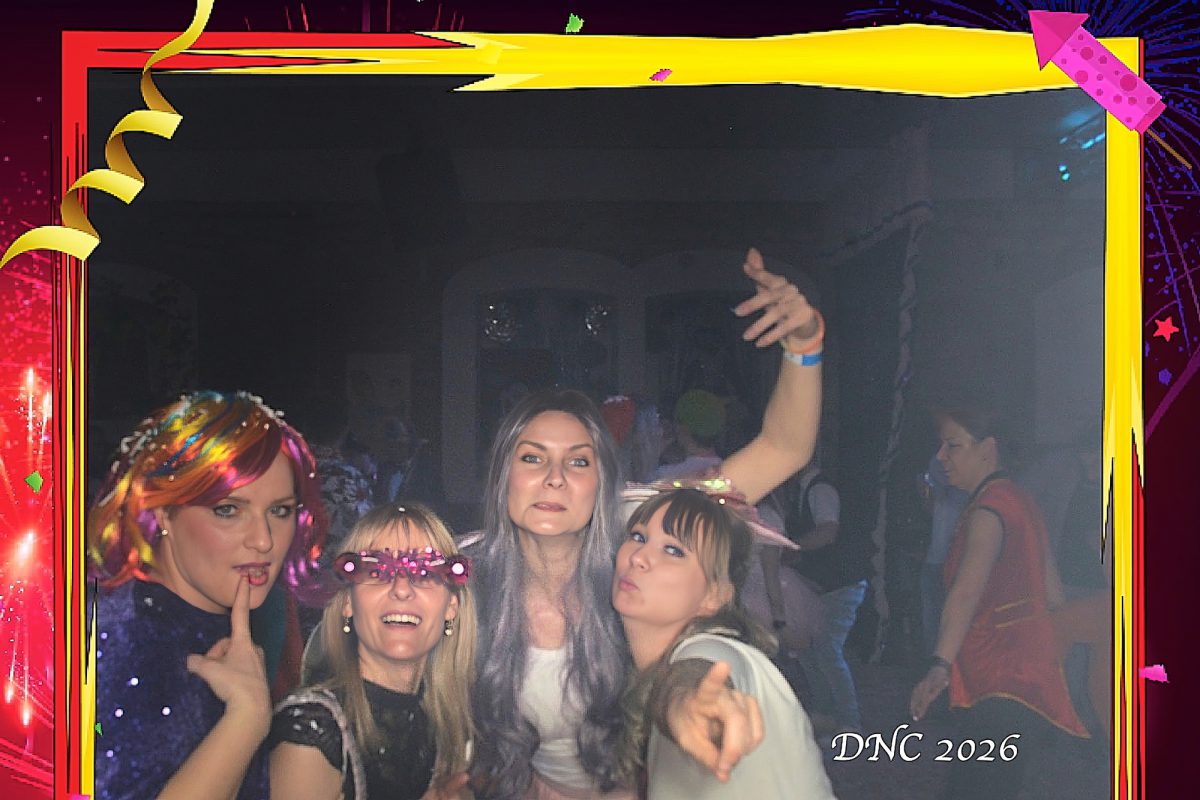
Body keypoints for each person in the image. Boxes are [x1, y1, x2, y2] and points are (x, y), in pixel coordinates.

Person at [466, 247, 823, 799]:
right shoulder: (466, 583)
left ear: (602, 482)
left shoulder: (640, 541)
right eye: (532, 458)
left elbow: (783, 448)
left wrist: (804, 343)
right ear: (502, 476)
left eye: (578, 462)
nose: (555, 478)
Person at [88, 390, 327, 800]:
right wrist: (246, 719)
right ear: (162, 511)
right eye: (228, 510)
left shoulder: (209, 621)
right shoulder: (128, 643)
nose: (264, 540)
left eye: (280, 510)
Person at [909, 407, 1088, 800]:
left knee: (975, 789)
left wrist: (938, 666)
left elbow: (965, 593)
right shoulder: (1019, 500)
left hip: (999, 678)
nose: (941, 457)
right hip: (1021, 679)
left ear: (987, 449)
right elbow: (1054, 594)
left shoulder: (990, 509)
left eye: (952, 446)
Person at [613, 488, 836, 799]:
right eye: (638, 536)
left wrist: (689, 701)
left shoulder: (716, 650)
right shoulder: (627, 668)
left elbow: (699, 672)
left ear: (714, 595)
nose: (638, 557)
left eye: (674, 551)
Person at [269, 503, 475, 800]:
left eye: (424, 573)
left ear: (451, 607)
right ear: (348, 603)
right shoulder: (311, 733)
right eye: (378, 571)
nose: (401, 589)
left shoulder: (444, 724)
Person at [785, 464, 868, 735]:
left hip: (841, 585)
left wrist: (793, 547)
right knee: (811, 653)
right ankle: (827, 715)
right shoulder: (802, 492)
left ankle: (850, 722)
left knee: (827, 651)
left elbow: (827, 532)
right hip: (825, 586)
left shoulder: (820, 489)